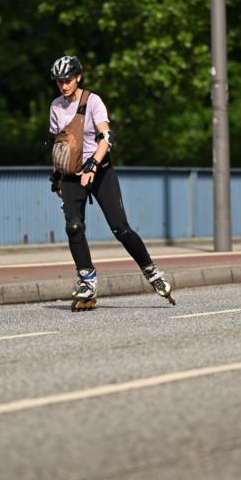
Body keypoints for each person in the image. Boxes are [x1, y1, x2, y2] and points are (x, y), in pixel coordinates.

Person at [48, 55, 174, 309]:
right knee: (73, 226)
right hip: (71, 175)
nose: (64, 85)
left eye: (68, 79)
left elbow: (106, 136)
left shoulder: (92, 101)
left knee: (120, 228)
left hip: (100, 171)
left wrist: (92, 165)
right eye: (59, 81)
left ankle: (150, 270)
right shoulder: (56, 107)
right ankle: (87, 280)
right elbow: (58, 144)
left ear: (78, 77)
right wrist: (57, 176)